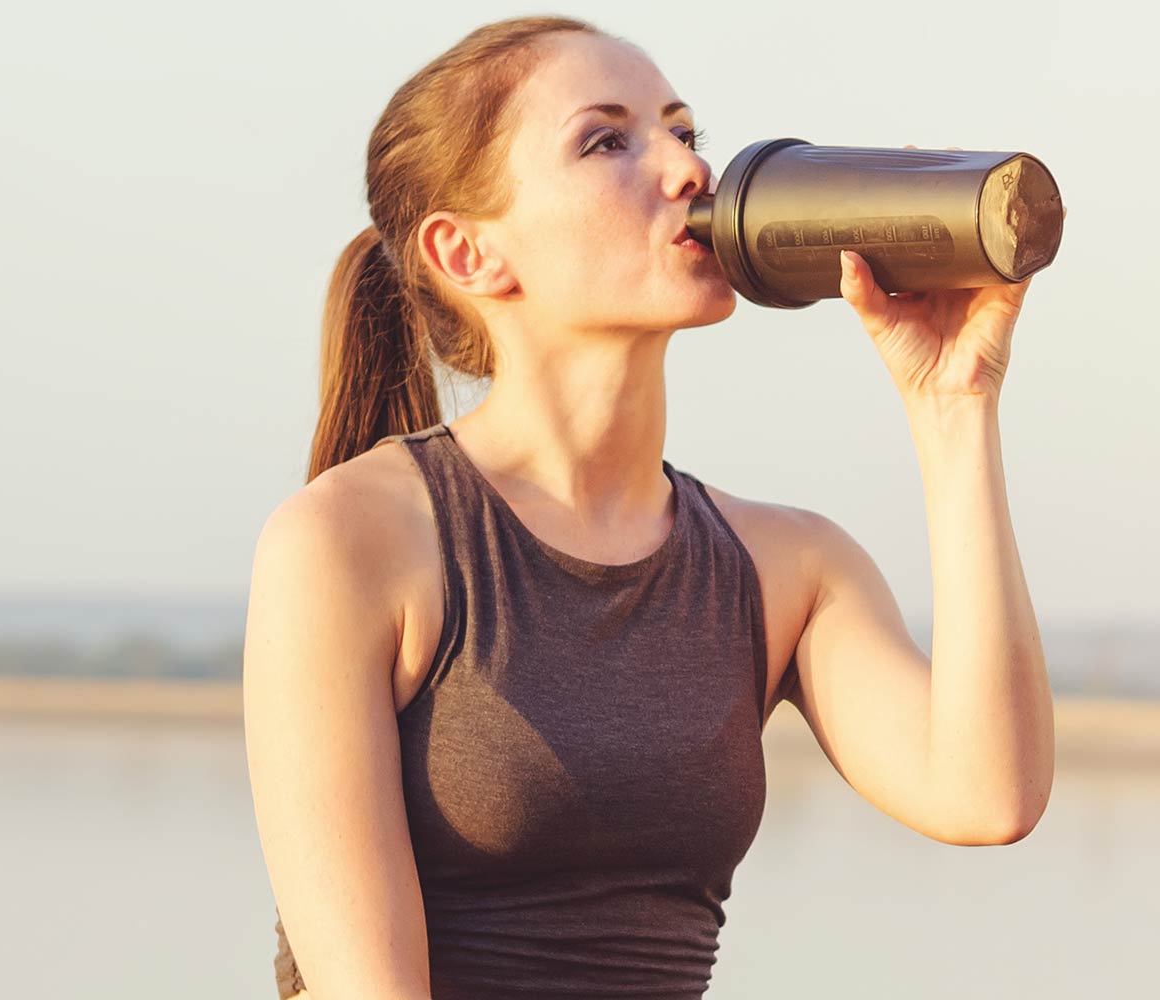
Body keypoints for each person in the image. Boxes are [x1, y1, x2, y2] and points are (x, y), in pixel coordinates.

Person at [242, 14, 1054, 1000]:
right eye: (606, 140)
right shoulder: (351, 541)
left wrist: (953, 406)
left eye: (683, 130)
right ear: (467, 255)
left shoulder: (785, 566)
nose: (686, 170)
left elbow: (985, 791)